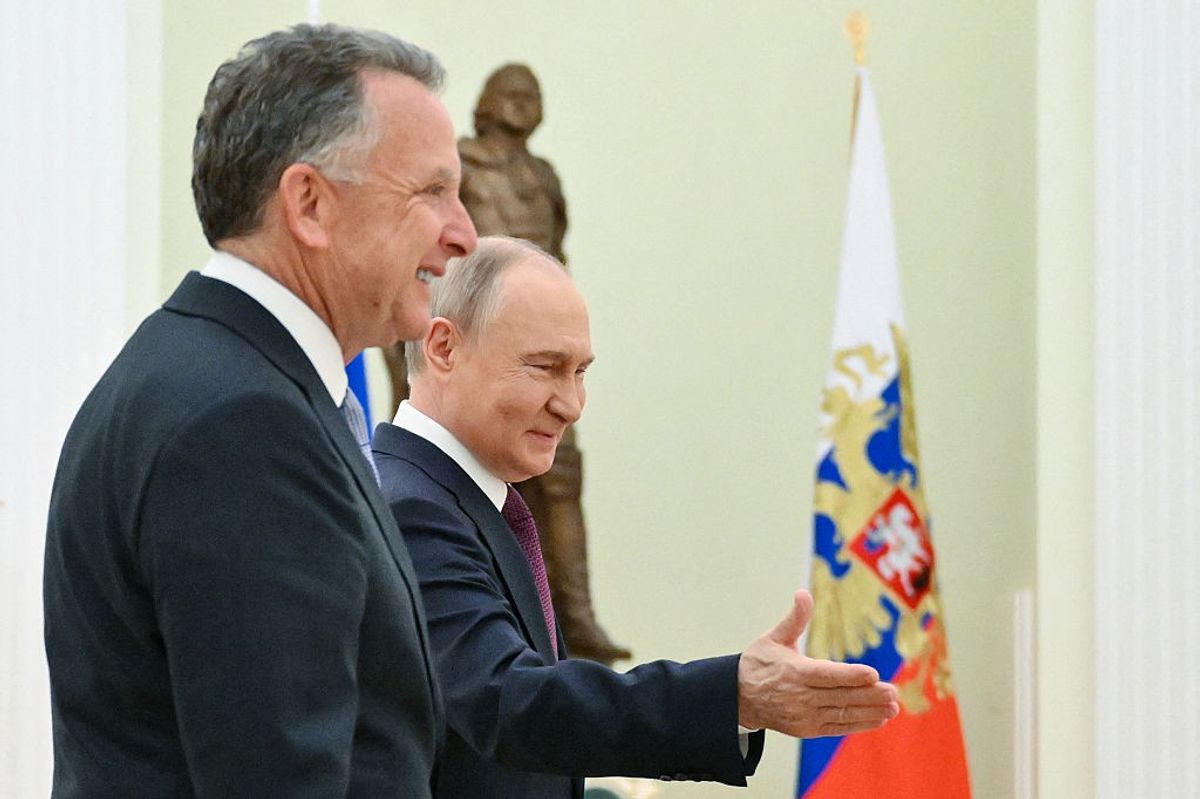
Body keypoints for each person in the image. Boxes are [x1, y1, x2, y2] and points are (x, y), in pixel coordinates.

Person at [42, 24, 476, 798]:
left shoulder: (208, 371)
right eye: (432, 191)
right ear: (309, 204)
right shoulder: (243, 425)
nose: (464, 233)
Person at [372, 236, 899, 798]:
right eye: (546, 367)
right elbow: (512, 702)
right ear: (445, 349)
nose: (570, 404)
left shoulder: (457, 500)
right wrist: (733, 696)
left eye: (580, 373)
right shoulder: (410, 509)